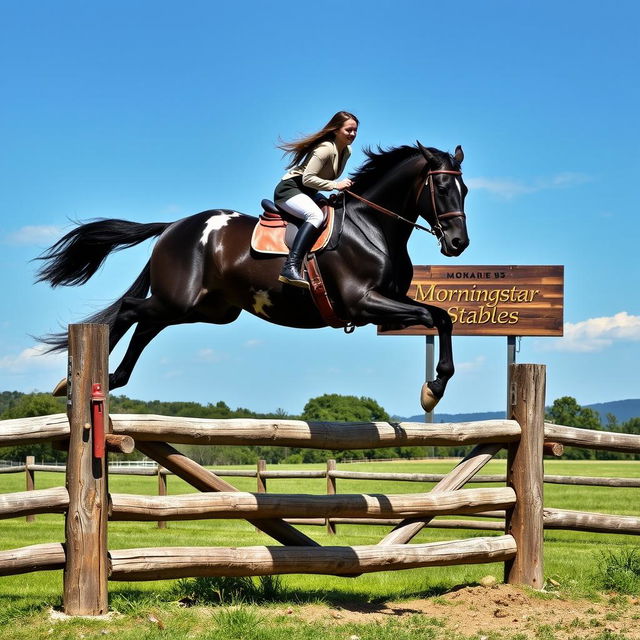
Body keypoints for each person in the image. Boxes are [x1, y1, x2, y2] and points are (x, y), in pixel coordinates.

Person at [274, 111, 359, 287]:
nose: (352, 134)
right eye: (348, 130)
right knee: (316, 216)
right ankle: (290, 266)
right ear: (336, 130)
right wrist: (336, 185)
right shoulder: (325, 149)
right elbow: (307, 178)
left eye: (355, 131)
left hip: (309, 193)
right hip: (290, 189)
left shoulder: (347, 151)